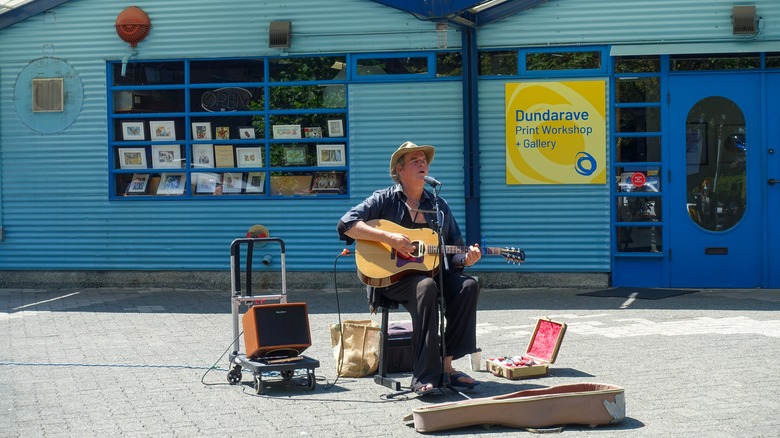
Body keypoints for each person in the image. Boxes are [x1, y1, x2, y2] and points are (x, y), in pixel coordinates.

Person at [337, 141, 482, 396]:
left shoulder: (439, 206)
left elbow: (455, 251)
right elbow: (346, 224)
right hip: (393, 278)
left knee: (468, 285)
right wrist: (389, 238)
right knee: (425, 288)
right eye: (415, 160)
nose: (422, 163)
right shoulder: (383, 199)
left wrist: (466, 259)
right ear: (400, 170)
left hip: (434, 273)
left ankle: (447, 366)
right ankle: (424, 377)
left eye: (424, 160)